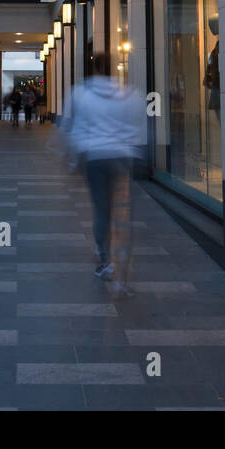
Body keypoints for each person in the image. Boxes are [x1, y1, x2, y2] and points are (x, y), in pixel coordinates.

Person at [64, 53, 147, 297]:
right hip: (121, 157)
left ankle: (105, 261)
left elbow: (75, 129)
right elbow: (140, 126)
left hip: (95, 158)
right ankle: (122, 273)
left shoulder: (81, 93)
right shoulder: (130, 94)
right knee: (123, 214)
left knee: (102, 209)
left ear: (92, 68)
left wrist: (73, 159)